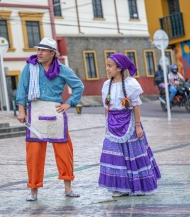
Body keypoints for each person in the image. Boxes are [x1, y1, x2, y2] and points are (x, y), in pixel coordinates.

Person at [16, 38, 84, 201]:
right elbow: (22, 88)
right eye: (38, 49)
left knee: (64, 151)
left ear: (52, 53)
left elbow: (78, 86)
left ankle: (68, 188)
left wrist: (69, 103)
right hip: (35, 111)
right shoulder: (30, 67)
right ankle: (33, 190)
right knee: (33, 153)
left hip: (56, 111)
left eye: (43, 50)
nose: (39, 53)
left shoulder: (62, 69)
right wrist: (21, 110)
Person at [99, 53, 161, 197]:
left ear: (119, 68)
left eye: (110, 66)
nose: (107, 69)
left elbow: (136, 106)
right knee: (113, 155)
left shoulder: (130, 84)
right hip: (112, 125)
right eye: (107, 66)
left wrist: (138, 126)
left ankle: (138, 186)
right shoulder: (106, 85)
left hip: (129, 123)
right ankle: (119, 187)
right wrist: (106, 126)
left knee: (133, 153)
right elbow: (106, 107)